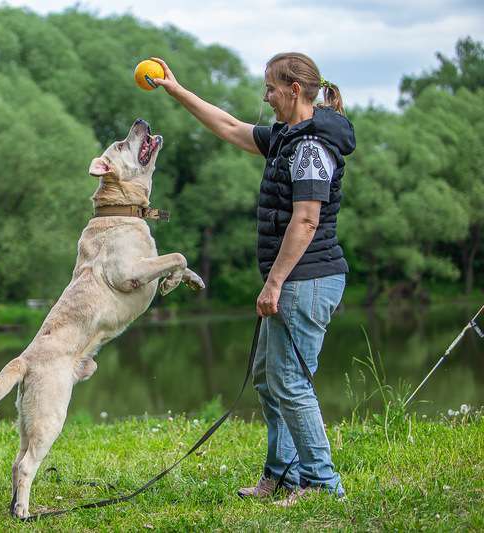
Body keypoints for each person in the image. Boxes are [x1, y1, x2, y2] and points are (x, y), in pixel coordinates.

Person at [151, 52, 355, 506]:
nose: (265, 96)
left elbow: (305, 221)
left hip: (306, 280)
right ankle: (281, 475)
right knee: (269, 379)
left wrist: (275, 282)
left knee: (290, 382)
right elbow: (229, 127)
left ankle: (321, 484)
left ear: (294, 90)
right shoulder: (288, 136)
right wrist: (177, 88)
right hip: (294, 279)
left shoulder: (311, 148)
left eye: (270, 88)